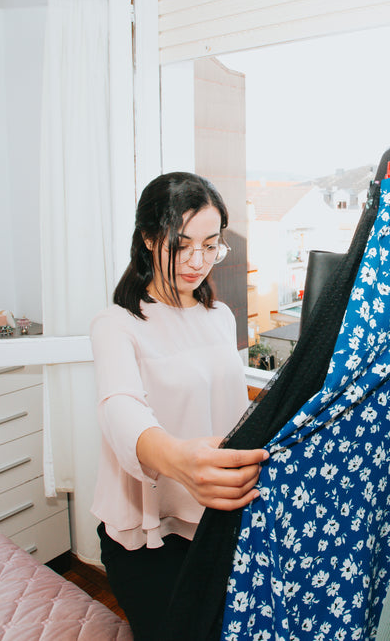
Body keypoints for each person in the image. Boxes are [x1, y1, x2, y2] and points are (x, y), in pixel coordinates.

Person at [89, 172, 269, 639]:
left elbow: (226, 403)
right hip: (150, 538)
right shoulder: (118, 324)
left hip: (213, 518)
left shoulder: (220, 316)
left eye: (211, 245)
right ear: (149, 238)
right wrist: (178, 460)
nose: (197, 261)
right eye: (181, 244)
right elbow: (120, 409)